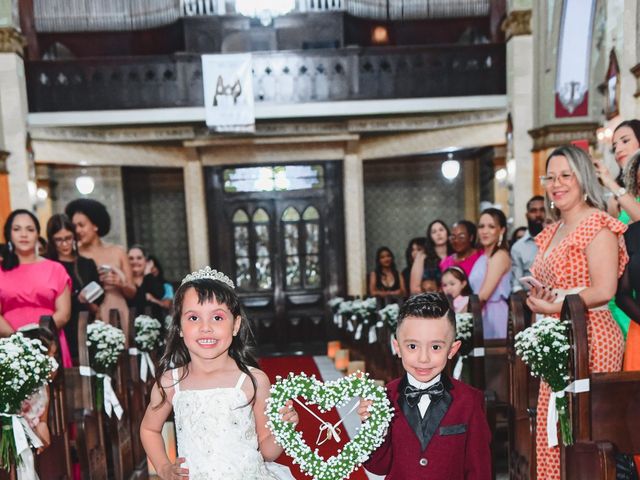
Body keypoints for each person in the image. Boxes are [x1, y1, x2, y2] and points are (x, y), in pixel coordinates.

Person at [526, 145, 626, 480]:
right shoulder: (553, 230)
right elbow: (553, 282)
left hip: (591, 336)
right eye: (551, 176)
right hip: (556, 336)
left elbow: (604, 290)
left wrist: (555, 306)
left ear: (583, 178)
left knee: (584, 433)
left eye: (566, 175)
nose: (557, 183)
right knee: (552, 425)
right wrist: (541, 297)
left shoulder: (598, 225)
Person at [140, 267, 297, 479]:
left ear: (235, 325)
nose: (206, 327)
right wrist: (164, 467)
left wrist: (282, 430)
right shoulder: (170, 382)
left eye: (217, 318)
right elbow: (149, 429)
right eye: (194, 318)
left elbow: (267, 452)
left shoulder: (253, 380)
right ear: (178, 326)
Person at [360, 292, 491, 479]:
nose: (423, 358)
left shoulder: (470, 400)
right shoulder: (384, 398)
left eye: (435, 347)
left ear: (452, 350)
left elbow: (480, 471)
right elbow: (377, 467)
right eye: (412, 346)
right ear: (397, 347)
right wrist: (374, 426)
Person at [0, 209, 73, 368]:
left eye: (30, 229)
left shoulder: (56, 269)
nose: (24, 234)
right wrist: (17, 340)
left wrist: (40, 337)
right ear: (9, 234)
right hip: (9, 347)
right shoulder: (1, 270)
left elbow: (64, 313)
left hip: (50, 343)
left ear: (38, 234)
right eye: (17, 229)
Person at [592, 120, 640, 337]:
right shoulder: (619, 198)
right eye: (614, 146)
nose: (618, 149)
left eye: (625, 141)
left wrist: (610, 182)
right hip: (619, 294)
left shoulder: (621, 194)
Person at [65, 199, 136, 338]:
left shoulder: (118, 251)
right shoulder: (74, 255)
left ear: (95, 225)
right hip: (85, 313)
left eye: (81, 225)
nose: (77, 230)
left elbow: (132, 292)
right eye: (74, 226)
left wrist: (120, 283)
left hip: (115, 307)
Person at [46, 213, 102, 362]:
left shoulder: (86, 264)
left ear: (74, 238)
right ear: (51, 241)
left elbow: (99, 294)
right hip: (58, 326)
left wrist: (88, 300)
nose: (64, 244)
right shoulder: (47, 265)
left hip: (83, 324)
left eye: (68, 238)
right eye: (59, 240)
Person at [468, 209, 512, 339]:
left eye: (491, 226)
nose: (485, 231)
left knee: (494, 358)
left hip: (494, 315)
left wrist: (460, 314)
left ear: (502, 230)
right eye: (481, 226)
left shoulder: (500, 256)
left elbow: (484, 295)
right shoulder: (483, 257)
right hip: (479, 311)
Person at [511, 195, 546, 292]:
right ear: (527, 215)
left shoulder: (559, 240)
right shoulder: (518, 247)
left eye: (542, 210)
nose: (538, 214)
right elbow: (516, 284)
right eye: (533, 211)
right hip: (531, 299)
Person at [410, 220, 452, 293]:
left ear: (447, 233)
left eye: (441, 230)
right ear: (430, 237)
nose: (438, 234)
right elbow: (414, 288)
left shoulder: (455, 255)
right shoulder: (422, 256)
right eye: (434, 232)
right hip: (430, 300)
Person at [127, 245, 165, 319]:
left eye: (139, 258)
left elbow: (160, 293)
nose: (135, 261)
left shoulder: (151, 278)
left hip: (153, 324)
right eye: (131, 258)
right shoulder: (125, 281)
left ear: (146, 260)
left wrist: (147, 273)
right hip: (130, 324)